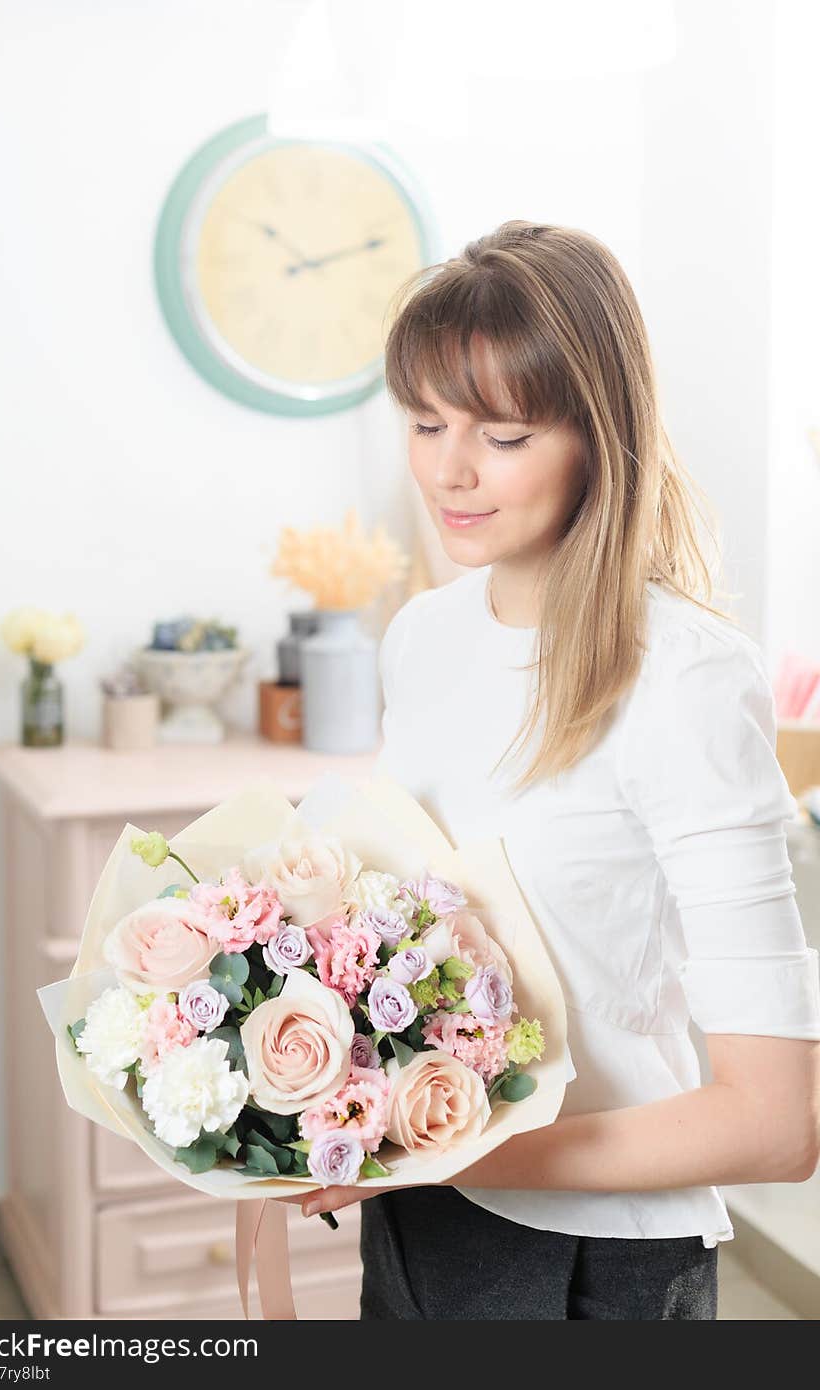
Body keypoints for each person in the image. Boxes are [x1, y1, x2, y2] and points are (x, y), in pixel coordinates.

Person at [292, 221, 820, 1319]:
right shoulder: (422, 637)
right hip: (418, 1217)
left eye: (504, 433)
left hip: (591, 1258)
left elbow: (775, 1122)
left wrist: (448, 1150)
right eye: (427, 422)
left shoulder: (679, 675)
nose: (449, 468)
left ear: (596, 433)